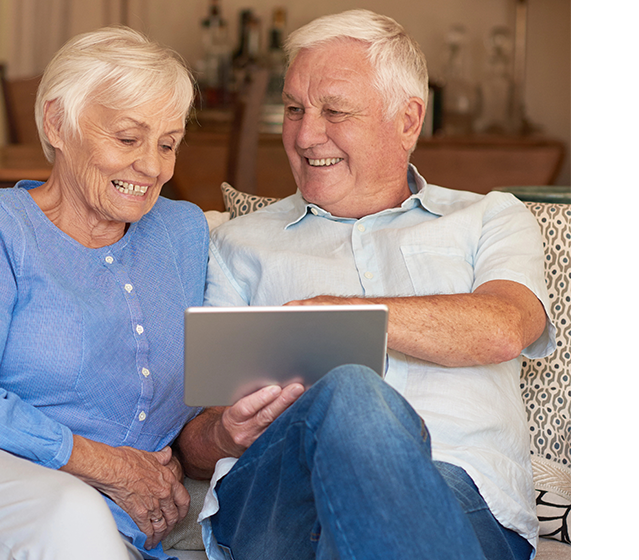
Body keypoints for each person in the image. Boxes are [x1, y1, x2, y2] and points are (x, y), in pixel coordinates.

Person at [172, 9, 555, 560]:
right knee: (349, 393)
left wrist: (342, 313)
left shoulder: (490, 218)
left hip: (460, 502)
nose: (305, 135)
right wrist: (224, 436)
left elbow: (503, 327)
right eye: (296, 109)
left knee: (352, 393)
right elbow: (193, 442)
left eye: (334, 111)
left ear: (407, 119)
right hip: (281, 501)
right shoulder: (237, 243)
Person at [0, 27, 209, 560]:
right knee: (71, 517)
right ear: (57, 123)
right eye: (127, 138)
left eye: (168, 144)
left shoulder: (182, 232)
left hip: (100, 510)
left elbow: (198, 391)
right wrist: (112, 466)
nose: (153, 166)